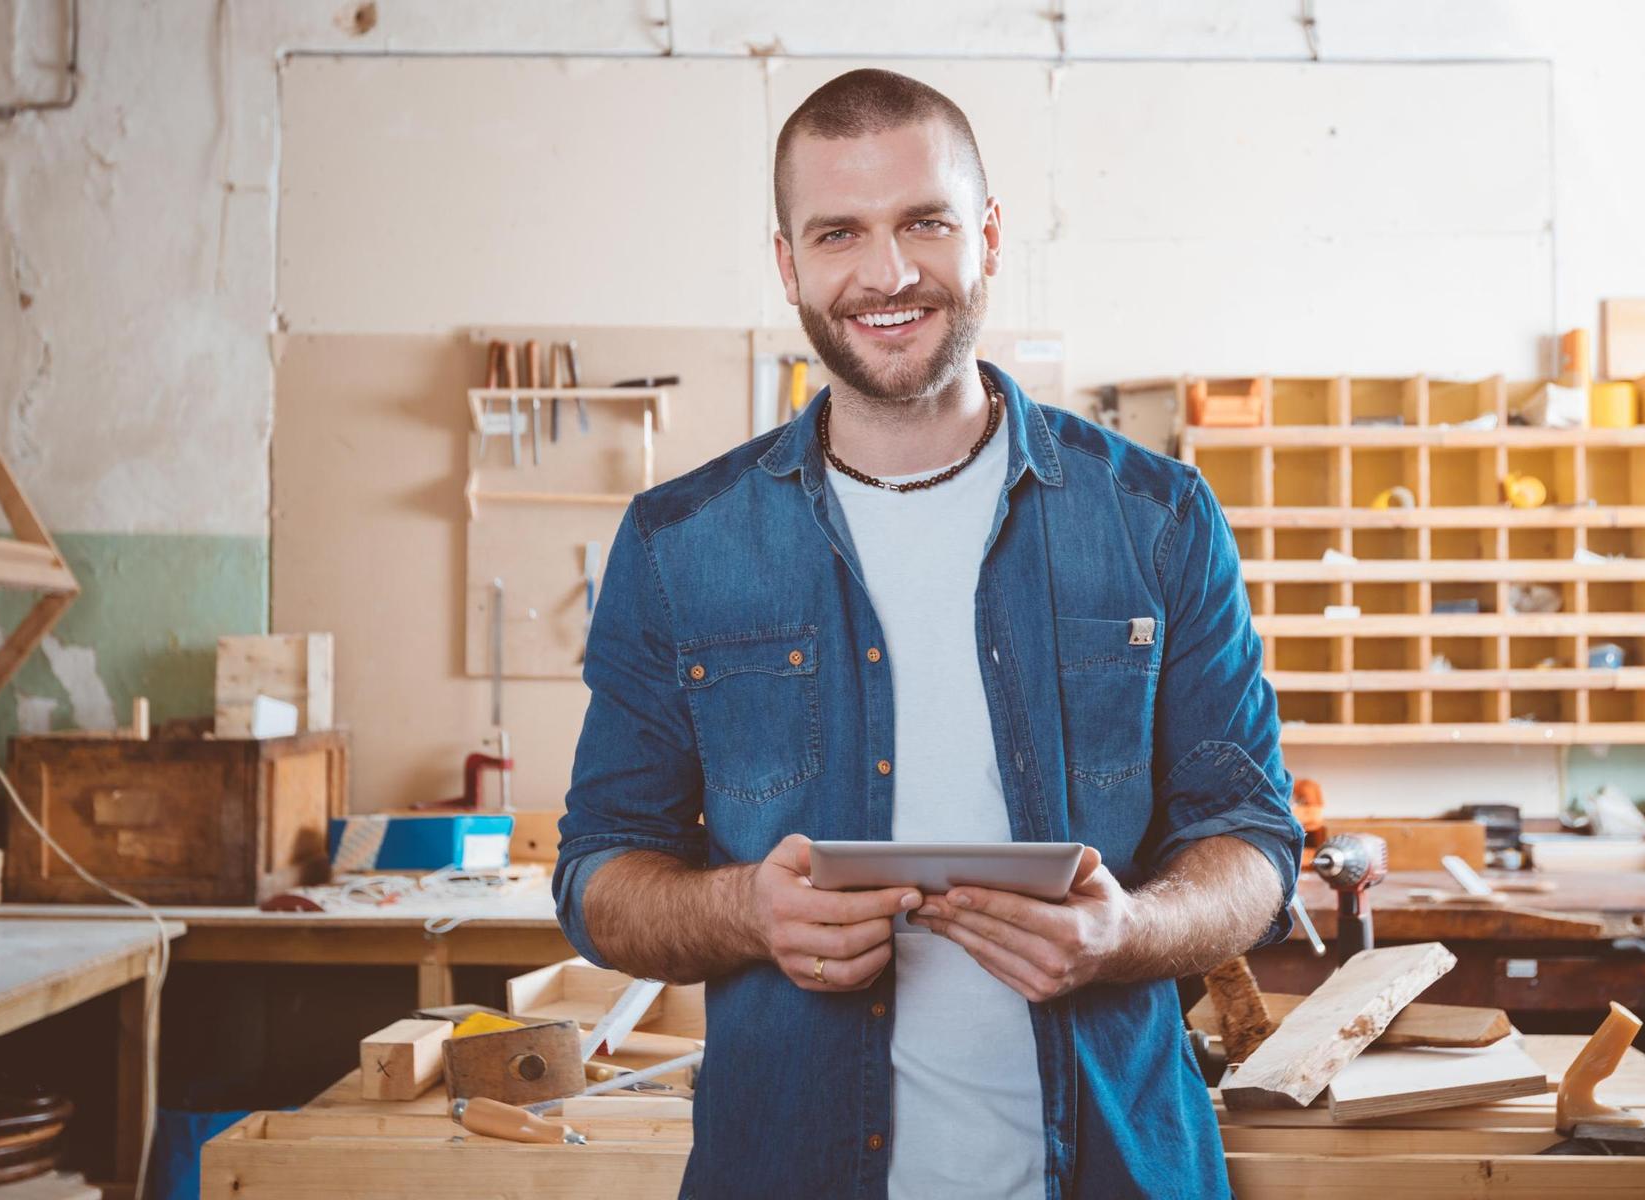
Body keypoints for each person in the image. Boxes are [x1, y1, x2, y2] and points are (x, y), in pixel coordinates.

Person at [554, 67, 1301, 1199]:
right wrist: (745, 911)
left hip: (1110, 1171)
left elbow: (1250, 838)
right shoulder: (678, 546)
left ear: (988, 234)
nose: (887, 273)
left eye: (925, 222)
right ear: (788, 263)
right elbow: (599, 871)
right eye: (839, 232)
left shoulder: (1153, 520)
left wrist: (1127, 933)